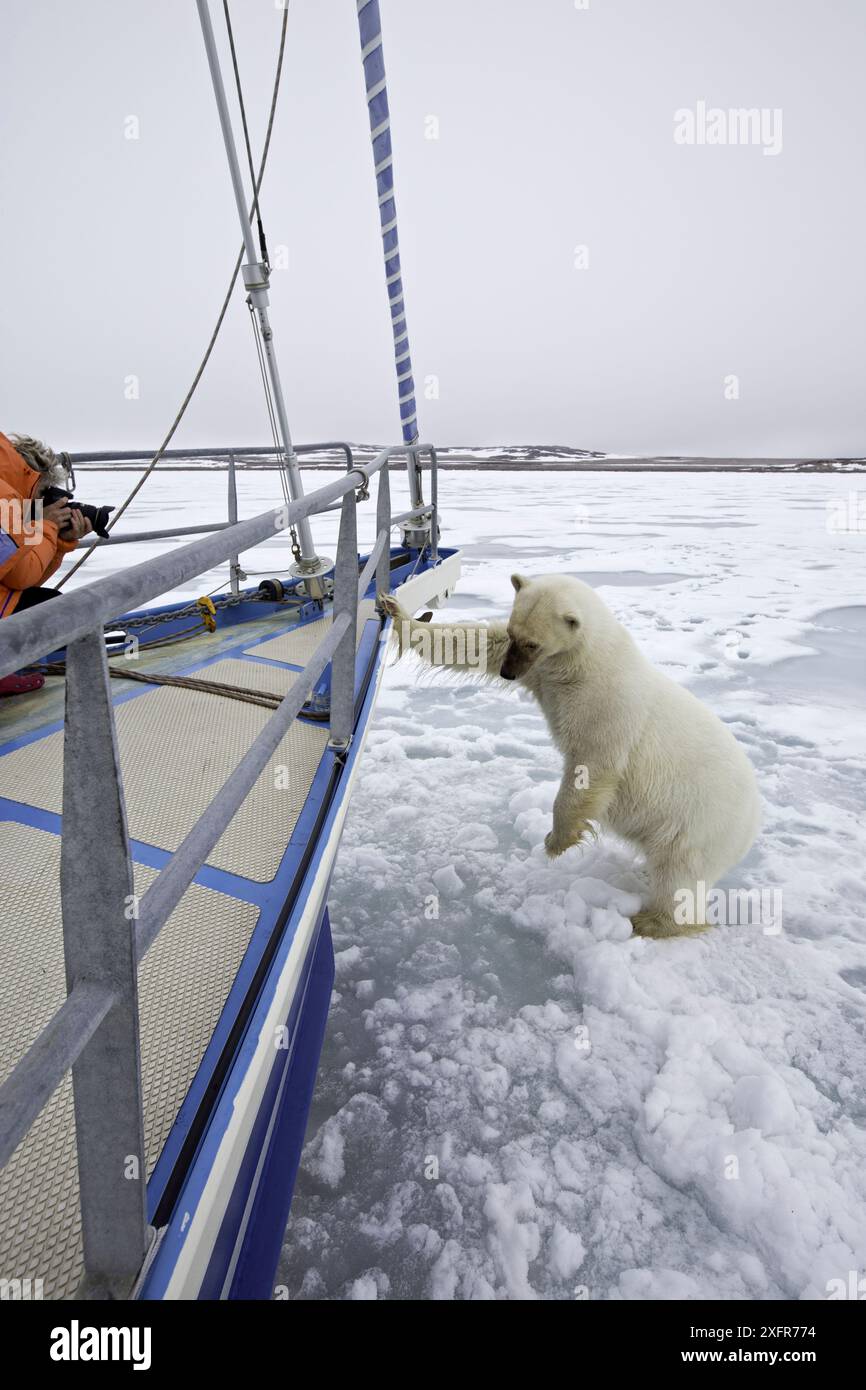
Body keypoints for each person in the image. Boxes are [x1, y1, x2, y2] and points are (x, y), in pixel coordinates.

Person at [0, 431, 92, 695]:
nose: (38, 501)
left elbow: (14, 574)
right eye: (41, 493)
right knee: (62, 611)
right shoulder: (6, 499)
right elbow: (21, 577)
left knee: (47, 601)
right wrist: (48, 526)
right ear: (32, 478)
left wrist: (59, 543)